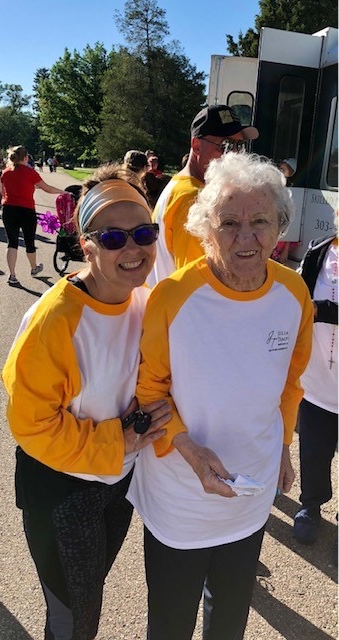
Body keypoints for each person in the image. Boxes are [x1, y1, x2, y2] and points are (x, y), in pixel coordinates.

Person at [127, 152, 314, 640]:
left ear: (280, 228)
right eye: (228, 222)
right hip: (178, 492)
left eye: (260, 221)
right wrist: (188, 449)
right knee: (169, 622)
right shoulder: (172, 295)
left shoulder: (295, 294)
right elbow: (149, 390)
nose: (246, 237)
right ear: (206, 229)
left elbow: (291, 383)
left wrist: (284, 446)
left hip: (249, 490)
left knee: (230, 617)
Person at [1, 163, 171, 640]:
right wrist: (120, 437)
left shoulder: (146, 302)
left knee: (89, 596)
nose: (133, 249)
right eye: (114, 239)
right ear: (86, 243)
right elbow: (31, 426)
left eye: (143, 232)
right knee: (75, 619)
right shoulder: (53, 320)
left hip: (117, 484)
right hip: (62, 492)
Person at [148, 104, 259, 285]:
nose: (234, 155)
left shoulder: (183, 186)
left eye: (239, 145)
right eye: (225, 145)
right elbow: (198, 283)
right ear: (196, 145)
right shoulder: (193, 199)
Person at [293, 213, 338, 545]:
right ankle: (311, 504)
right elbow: (297, 299)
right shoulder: (318, 252)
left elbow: (314, 307)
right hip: (317, 384)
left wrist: (322, 309)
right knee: (312, 451)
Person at [0, 145, 64, 285]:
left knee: (12, 243)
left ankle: (12, 275)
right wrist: (63, 192)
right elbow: (47, 188)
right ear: (25, 157)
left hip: (9, 209)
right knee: (29, 241)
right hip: (26, 210)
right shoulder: (30, 173)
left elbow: (2, 192)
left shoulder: (5, 173)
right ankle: (34, 268)